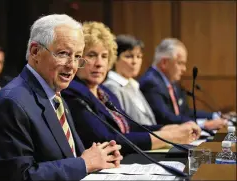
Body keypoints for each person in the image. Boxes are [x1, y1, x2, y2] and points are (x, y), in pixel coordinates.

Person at [0, 14, 123, 181]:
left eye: (77, 57)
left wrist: (99, 156)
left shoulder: (55, 96)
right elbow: (20, 176)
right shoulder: (11, 102)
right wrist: (84, 164)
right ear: (35, 52)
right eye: (63, 54)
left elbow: (68, 157)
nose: (72, 65)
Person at [62, 22, 201, 155]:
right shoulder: (73, 92)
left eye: (104, 56)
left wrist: (167, 128)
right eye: (91, 55)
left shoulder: (104, 92)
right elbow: (106, 139)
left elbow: (130, 127)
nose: (99, 63)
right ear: (77, 58)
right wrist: (167, 136)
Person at [139, 38, 228, 130]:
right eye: (180, 63)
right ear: (164, 63)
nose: (184, 69)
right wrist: (203, 124)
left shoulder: (170, 82)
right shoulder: (151, 82)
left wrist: (215, 115)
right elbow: (165, 118)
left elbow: (184, 112)